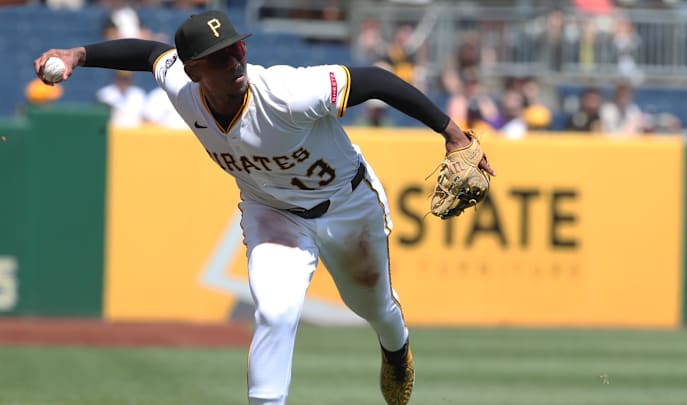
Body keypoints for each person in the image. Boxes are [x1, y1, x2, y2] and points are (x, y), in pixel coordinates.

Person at [33, 10, 494, 405]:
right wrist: (78, 55)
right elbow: (147, 52)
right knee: (274, 312)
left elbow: (374, 81)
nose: (235, 60)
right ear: (194, 71)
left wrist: (451, 132)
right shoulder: (180, 87)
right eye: (219, 57)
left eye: (236, 48)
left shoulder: (287, 93)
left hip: (346, 204)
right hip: (272, 211)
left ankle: (396, 349)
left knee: (373, 307)